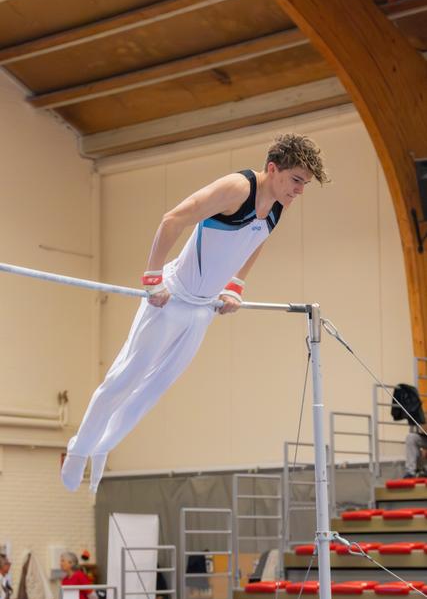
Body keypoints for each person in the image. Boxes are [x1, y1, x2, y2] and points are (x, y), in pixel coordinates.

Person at [61, 133, 328, 493]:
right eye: (296, 180)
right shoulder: (236, 188)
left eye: (305, 184)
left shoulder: (280, 203)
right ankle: (79, 449)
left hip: (202, 309)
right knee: (125, 378)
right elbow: (172, 219)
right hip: (170, 298)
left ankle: (103, 445)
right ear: (272, 168)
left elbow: (256, 238)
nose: (299, 190)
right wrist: (153, 277)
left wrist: (235, 285)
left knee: (155, 387)